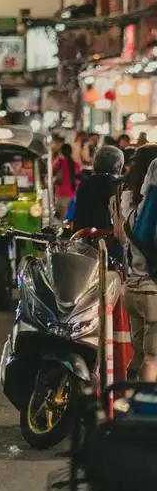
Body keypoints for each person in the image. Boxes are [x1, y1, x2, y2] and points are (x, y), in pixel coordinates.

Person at [120, 146, 157, 381]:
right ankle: (144, 409)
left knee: (138, 356)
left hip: (131, 289)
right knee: (152, 359)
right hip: (151, 291)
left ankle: (130, 400)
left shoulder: (129, 203)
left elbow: (121, 237)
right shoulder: (151, 212)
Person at [72, 145, 125, 233]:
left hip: (85, 237)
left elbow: (79, 217)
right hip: (113, 239)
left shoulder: (86, 184)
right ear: (119, 165)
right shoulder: (120, 185)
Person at [53, 143, 80, 220]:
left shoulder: (60, 162)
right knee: (68, 217)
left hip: (61, 192)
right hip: (71, 193)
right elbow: (78, 180)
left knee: (60, 217)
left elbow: (52, 171)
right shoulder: (76, 164)